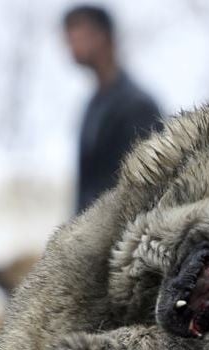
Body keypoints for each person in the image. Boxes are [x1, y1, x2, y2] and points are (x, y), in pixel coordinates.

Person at [63, 4, 161, 213]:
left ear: (102, 37)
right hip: (90, 234)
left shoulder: (136, 106)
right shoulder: (93, 105)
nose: (70, 45)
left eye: (77, 34)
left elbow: (144, 188)